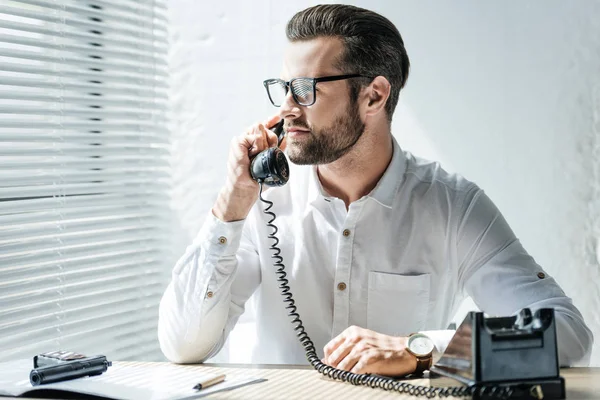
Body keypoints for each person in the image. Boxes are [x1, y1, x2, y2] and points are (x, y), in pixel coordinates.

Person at [158, 4, 592, 376]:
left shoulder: (453, 205)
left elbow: (568, 334)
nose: (285, 109)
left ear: (373, 96)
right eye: (283, 88)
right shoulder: (260, 199)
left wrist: (420, 348)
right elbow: (182, 345)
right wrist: (229, 207)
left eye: (305, 89)